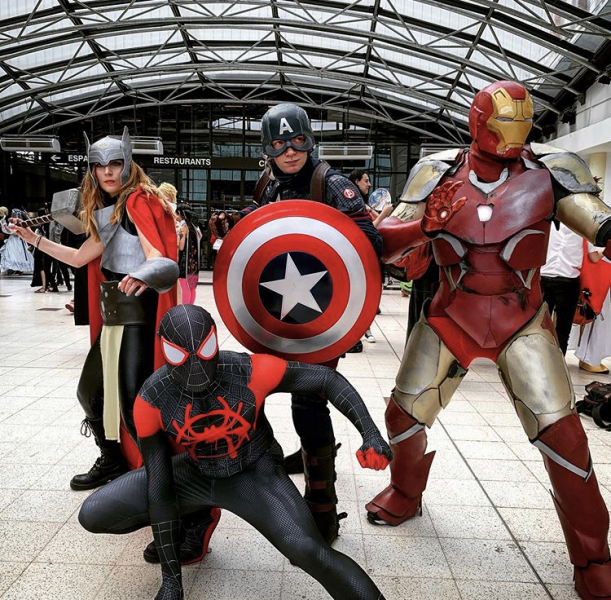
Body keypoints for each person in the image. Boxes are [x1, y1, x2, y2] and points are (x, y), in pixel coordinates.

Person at [364, 80, 611, 600]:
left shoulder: (553, 170)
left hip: (522, 321)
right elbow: (382, 246)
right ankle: (405, 491)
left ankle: (593, 556)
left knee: (564, 435)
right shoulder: (436, 173)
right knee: (403, 415)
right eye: (502, 125)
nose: (511, 138)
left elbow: (598, 222)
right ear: (478, 123)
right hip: (450, 314)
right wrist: (424, 229)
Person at [78, 304, 391, 600]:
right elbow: (160, 487)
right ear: (165, 350)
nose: (196, 367)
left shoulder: (248, 370)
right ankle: (198, 520)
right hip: (197, 472)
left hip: (255, 470)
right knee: (94, 513)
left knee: (308, 550)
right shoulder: (152, 399)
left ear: (214, 340)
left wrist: (371, 434)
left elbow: (326, 378)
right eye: (179, 355)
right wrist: (171, 581)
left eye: (205, 350)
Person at [209, 103, 382, 543]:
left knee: (310, 401)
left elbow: (368, 245)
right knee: (255, 394)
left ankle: (322, 505)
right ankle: (267, 477)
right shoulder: (268, 183)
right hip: (273, 316)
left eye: (298, 141)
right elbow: (260, 232)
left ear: (310, 140)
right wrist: (238, 229)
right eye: (279, 143)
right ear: (266, 148)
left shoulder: (333, 183)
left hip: (321, 320)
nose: (289, 151)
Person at [10, 128, 179, 490]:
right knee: (90, 393)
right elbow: (78, 257)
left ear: (128, 163)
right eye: (99, 166)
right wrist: (33, 238)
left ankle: (160, 479)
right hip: (116, 315)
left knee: (135, 401)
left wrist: (144, 272)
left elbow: (159, 258)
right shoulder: (113, 210)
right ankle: (113, 459)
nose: (107, 172)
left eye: (115, 163)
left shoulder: (139, 202)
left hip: (137, 313)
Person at [540, 223, 583, 354]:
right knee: (563, 329)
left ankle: (538, 360)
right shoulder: (582, 228)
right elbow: (593, 257)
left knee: (539, 326)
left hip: (543, 277)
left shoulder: (549, 224)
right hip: (568, 280)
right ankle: (558, 362)